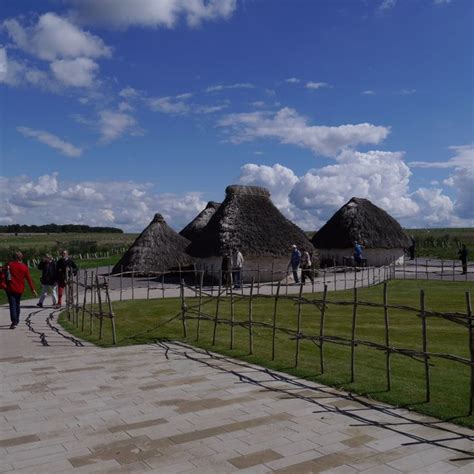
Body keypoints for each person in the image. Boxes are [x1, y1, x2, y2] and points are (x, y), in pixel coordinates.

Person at [4, 251, 37, 329]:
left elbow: (3, 271)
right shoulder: (24, 267)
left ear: (14, 257)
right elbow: (29, 279)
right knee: (17, 304)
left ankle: (14, 321)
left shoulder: (10, 265)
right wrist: (33, 289)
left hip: (10, 287)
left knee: (12, 304)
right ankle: (17, 320)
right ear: (22, 258)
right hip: (20, 288)